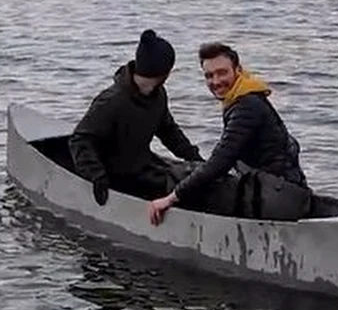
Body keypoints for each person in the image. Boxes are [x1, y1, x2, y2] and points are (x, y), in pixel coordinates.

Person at [148, 42, 311, 225]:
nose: (216, 81)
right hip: (277, 188)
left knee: (185, 182)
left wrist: (171, 198)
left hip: (279, 198)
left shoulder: (247, 107)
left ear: (238, 69)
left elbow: (221, 161)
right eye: (209, 76)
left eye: (222, 72)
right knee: (189, 172)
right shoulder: (244, 96)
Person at [68, 29, 203, 204]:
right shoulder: (112, 101)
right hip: (113, 175)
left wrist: (194, 158)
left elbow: (168, 131)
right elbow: (80, 140)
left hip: (142, 167)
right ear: (165, 72)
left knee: (194, 181)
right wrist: (97, 177)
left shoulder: (158, 94)